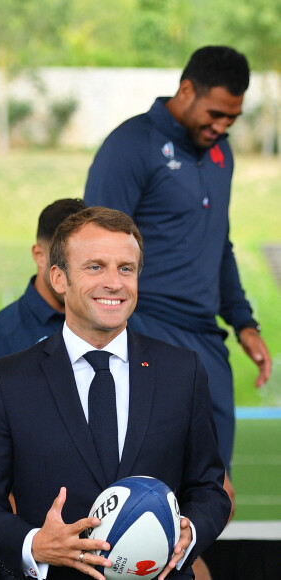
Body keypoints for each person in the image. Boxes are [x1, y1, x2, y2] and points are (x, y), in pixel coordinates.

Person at [0, 207, 231, 580]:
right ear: (59, 278)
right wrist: (35, 545)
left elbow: (210, 490)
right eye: (95, 267)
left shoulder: (183, 371)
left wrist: (189, 533)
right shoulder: (7, 380)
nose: (114, 282)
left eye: (126, 269)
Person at [83, 46, 272, 512]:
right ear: (186, 90)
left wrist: (244, 322)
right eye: (215, 114)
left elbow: (218, 242)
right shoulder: (130, 145)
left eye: (233, 118)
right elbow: (96, 247)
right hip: (146, 331)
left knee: (210, 499)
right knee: (144, 501)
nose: (222, 127)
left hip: (206, 342)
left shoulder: (221, 154)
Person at [0, 198, 85, 404]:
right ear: (39, 255)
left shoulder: (114, 324)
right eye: (63, 259)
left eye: (86, 261)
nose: (74, 273)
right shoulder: (1, 336)